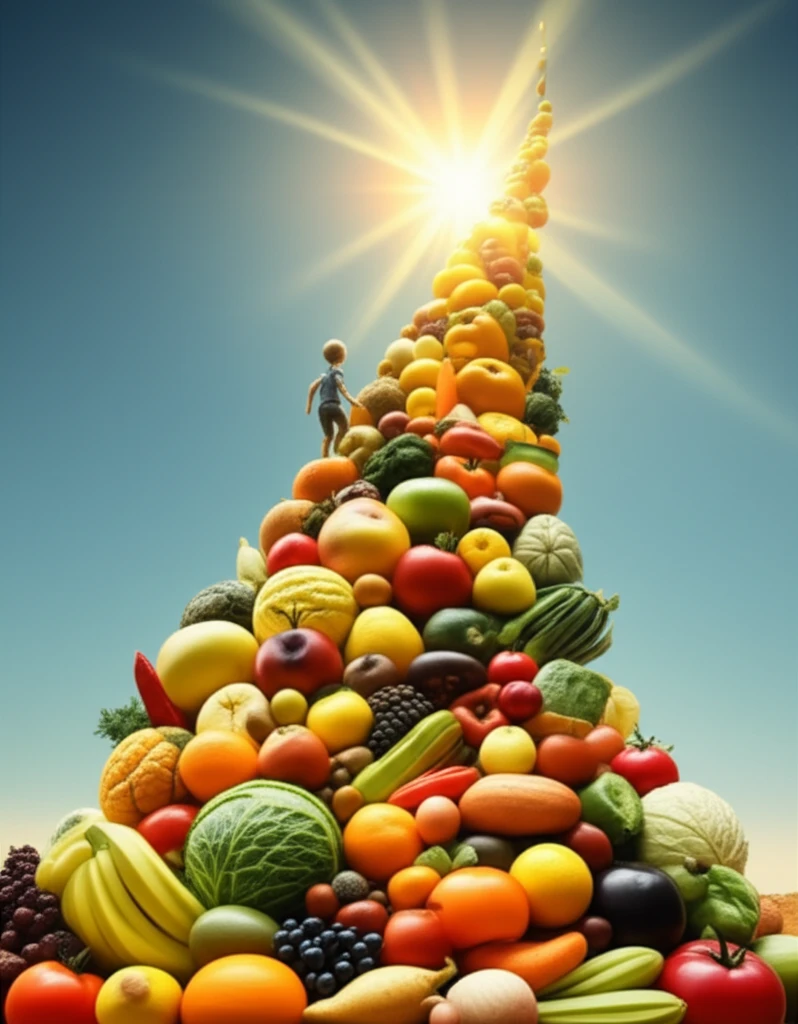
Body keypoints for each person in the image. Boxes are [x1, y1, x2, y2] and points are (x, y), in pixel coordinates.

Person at [306, 339, 364, 457]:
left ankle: (325, 458)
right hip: (333, 405)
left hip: (322, 408)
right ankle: (339, 453)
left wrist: (309, 405)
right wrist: (351, 399)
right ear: (342, 356)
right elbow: (340, 385)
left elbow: (312, 387)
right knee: (345, 428)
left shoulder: (324, 376)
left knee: (328, 436)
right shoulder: (337, 371)